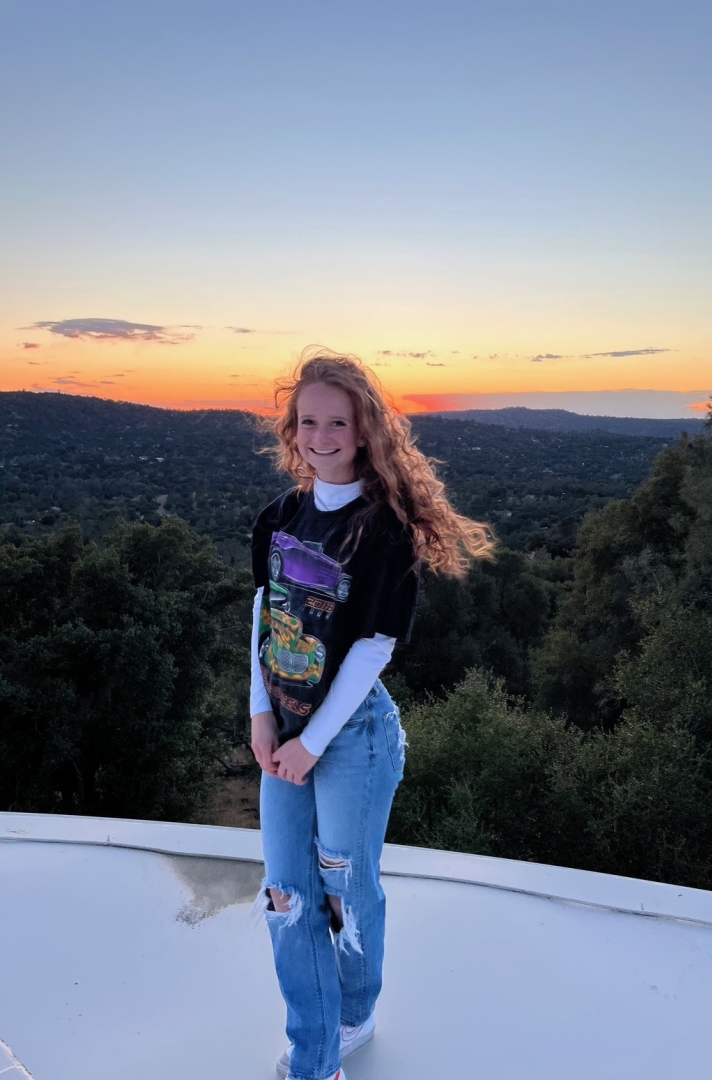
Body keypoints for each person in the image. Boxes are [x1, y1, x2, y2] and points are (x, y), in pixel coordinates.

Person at [249, 347, 495, 1080]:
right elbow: (265, 617)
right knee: (286, 897)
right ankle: (316, 1054)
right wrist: (262, 717)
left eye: (338, 423)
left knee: (344, 890)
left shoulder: (383, 527)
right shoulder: (278, 517)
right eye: (308, 421)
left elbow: (371, 649)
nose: (321, 436)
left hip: (351, 734)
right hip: (284, 730)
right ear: (292, 429)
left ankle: (352, 1018)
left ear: (364, 432)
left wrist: (312, 743)